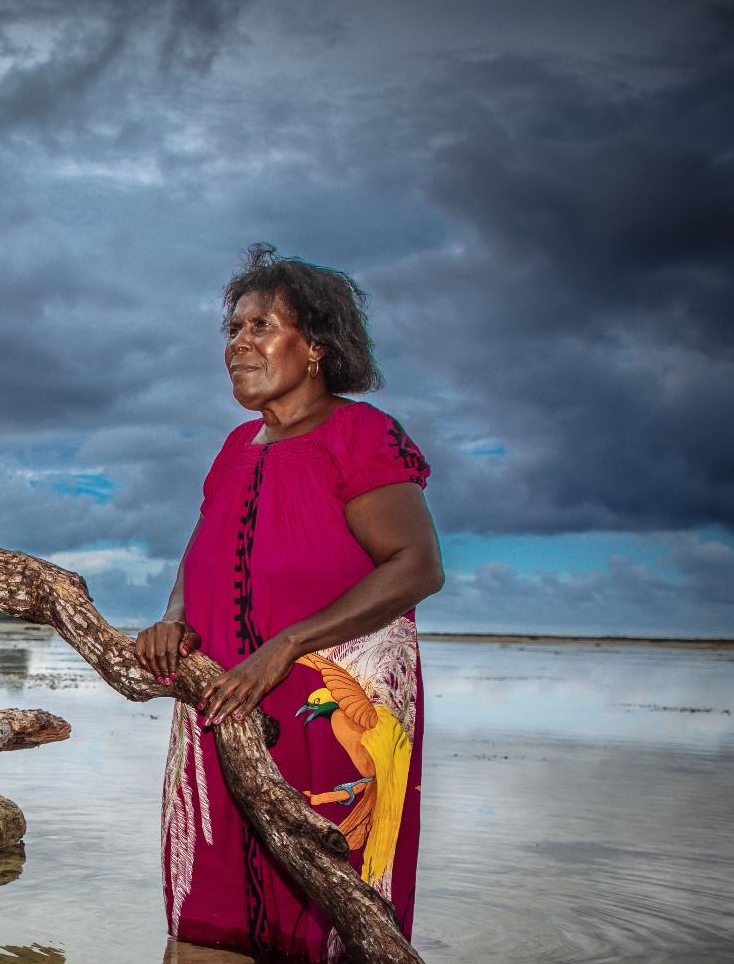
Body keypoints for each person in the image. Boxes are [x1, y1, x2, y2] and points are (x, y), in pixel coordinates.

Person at [135, 243, 444, 962]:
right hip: (224, 707)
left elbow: (416, 566)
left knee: (329, 912)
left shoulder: (361, 435)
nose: (239, 344)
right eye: (234, 329)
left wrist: (286, 646)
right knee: (208, 917)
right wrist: (174, 622)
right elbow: (201, 550)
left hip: (331, 717)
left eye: (262, 327)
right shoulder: (237, 446)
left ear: (317, 348)